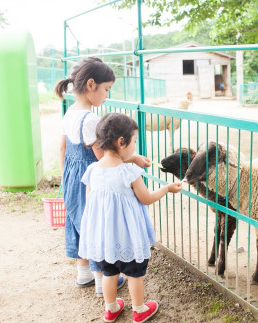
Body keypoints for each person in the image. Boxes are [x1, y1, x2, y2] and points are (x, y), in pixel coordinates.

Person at [55, 57, 150, 296]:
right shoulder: (90, 119)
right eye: (106, 89)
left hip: (72, 173)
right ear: (90, 85)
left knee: (81, 223)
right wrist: (133, 159)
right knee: (98, 224)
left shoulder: (70, 113)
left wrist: (65, 177)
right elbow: (104, 158)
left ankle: (83, 273)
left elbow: (62, 148)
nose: (107, 95)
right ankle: (101, 279)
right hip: (92, 177)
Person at [78, 113, 182, 322]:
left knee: (109, 273)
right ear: (121, 142)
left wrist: (132, 158)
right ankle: (140, 309)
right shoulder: (129, 173)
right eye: (134, 141)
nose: (135, 146)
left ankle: (111, 308)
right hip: (128, 238)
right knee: (134, 273)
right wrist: (166, 188)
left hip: (105, 239)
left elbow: (92, 204)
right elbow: (146, 198)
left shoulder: (92, 171)